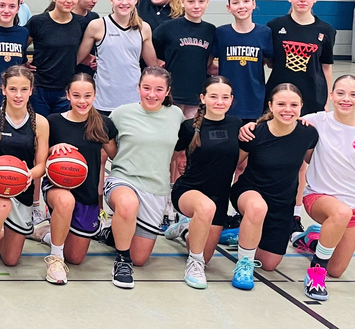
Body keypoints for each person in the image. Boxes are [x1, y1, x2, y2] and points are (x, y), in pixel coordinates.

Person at [291, 75, 355, 299]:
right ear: (331, 96)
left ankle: (313, 238)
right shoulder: (316, 121)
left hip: (354, 205)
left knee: (337, 270)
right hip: (318, 197)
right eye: (340, 93)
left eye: (353, 94)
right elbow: (282, 121)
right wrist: (254, 125)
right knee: (340, 213)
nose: (346, 99)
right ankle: (315, 273)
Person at [101, 67, 184, 288]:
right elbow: (110, 151)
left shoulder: (176, 115)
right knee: (128, 204)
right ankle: (121, 261)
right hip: (123, 179)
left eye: (158, 89)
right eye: (146, 88)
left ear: (167, 91)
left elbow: (176, 151)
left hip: (156, 188)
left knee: (139, 258)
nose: (151, 94)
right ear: (138, 87)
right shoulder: (121, 114)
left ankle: (111, 233)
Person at [229, 83, 318, 292]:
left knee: (269, 264)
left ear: (301, 106)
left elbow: (317, 163)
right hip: (249, 193)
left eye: (293, 105)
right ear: (270, 106)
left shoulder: (308, 134)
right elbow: (232, 166)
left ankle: (244, 232)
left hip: (281, 204)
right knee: (257, 208)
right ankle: (244, 264)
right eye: (281, 104)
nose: (288, 109)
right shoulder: (254, 132)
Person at [0, 66, 48, 289]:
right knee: (2, 205)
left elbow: (41, 166)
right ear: (3, 89)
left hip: (22, 189)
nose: (18, 95)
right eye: (12, 89)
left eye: (23, 89)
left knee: (11, 259)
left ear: (31, 90)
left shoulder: (40, 123)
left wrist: (28, 175)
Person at [35, 73, 117, 285]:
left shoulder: (103, 124)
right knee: (66, 201)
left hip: (87, 193)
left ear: (95, 95)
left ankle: (45, 233)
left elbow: (116, 155)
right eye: (77, 95)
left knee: (76, 258)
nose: (82, 101)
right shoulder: (53, 122)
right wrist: (52, 149)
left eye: (87, 96)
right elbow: (38, 158)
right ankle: (55, 259)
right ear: (68, 95)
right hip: (57, 188)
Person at [165, 76, 242, 289]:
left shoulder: (237, 125)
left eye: (225, 97)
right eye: (213, 96)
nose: (219, 102)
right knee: (205, 209)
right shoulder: (189, 127)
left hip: (219, 197)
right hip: (188, 190)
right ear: (202, 98)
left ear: (231, 99)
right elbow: (172, 156)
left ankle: (185, 229)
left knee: (206, 255)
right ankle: (193, 265)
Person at [77, 0, 158, 115]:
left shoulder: (143, 28)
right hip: (103, 100)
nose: (124, 2)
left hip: (133, 99)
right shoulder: (97, 26)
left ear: (136, 0)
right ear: (111, 0)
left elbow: (153, 66)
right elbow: (77, 58)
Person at [265, 0, 336, 116]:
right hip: (279, 95)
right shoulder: (274, 26)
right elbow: (269, 62)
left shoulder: (326, 30)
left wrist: (327, 99)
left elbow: (326, 67)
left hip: (312, 97)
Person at [153, 0, 215, 118]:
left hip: (197, 94)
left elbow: (209, 59)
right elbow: (151, 50)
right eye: (191, 1)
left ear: (207, 2)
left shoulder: (211, 30)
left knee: (192, 129)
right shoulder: (167, 28)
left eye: (201, 1)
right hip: (172, 93)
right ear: (182, 2)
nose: (196, 6)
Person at [27, 0, 87, 116]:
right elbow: (19, 45)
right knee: (39, 128)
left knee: (61, 128)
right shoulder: (38, 22)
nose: (69, 0)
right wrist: (23, 62)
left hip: (66, 91)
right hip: (39, 90)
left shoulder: (81, 23)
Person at [213, 0, 273, 120]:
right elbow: (208, 63)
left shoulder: (264, 33)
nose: (241, 6)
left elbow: (270, 63)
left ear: (253, 4)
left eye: (246, 1)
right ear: (228, 7)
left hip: (254, 100)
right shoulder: (221, 33)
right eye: (235, 2)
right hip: (226, 101)